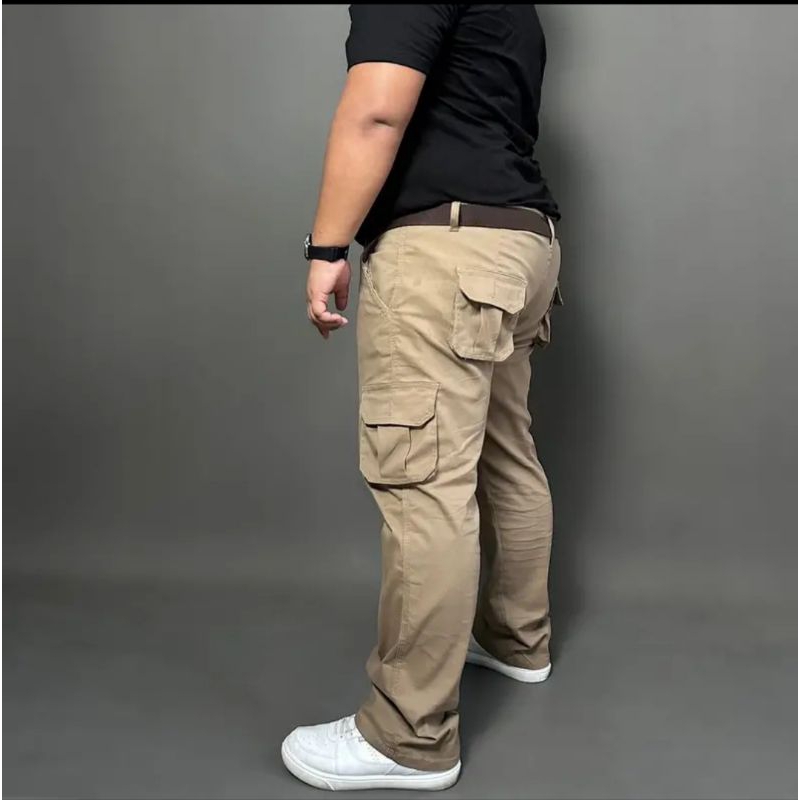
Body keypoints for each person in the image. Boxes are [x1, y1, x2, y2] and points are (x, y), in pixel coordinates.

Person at [282, 4, 562, 792]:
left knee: (424, 485)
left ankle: (408, 735)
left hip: (447, 250)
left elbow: (377, 110)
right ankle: (516, 639)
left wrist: (327, 246)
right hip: (523, 241)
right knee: (505, 456)